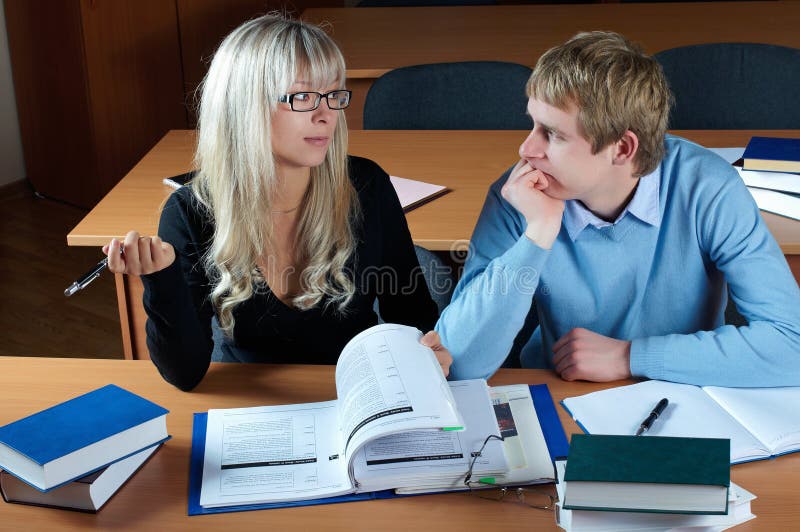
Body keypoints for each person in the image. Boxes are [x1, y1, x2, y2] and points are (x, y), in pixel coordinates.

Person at [103, 14, 451, 391]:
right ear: (244, 106)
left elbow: (412, 315)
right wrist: (161, 281)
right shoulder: (191, 212)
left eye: (334, 95)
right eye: (302, 97)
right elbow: (185, 374)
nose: (326, 115)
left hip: (357, 389)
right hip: (255, 401)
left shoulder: (365, 185)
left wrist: (430, 349)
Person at [437, 31, 800, 387]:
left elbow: (791, 343)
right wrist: (538, 232)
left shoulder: (708, 188)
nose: (526, 150)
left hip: (686, 390)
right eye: (532, 125)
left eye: (554, 134)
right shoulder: (518, 196)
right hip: (561, 388)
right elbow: (459, 364)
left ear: (623, 149)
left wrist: (629, 357)